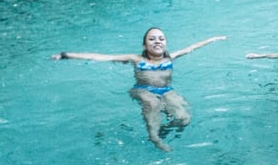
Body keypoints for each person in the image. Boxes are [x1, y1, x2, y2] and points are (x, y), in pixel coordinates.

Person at [53, 29, 226, 151]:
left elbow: (192, 47)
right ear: (144, 45)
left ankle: (164, 129)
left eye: (161, 38)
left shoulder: (170, 57)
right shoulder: (136, 59)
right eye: (152, 39)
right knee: (151, 103)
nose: (157, 41)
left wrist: (213, 39)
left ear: (165, 44)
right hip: (142, 89)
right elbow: (101, 57)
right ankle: (154, 137)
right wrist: (65, 55)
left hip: (166, 90)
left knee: (184, 119)